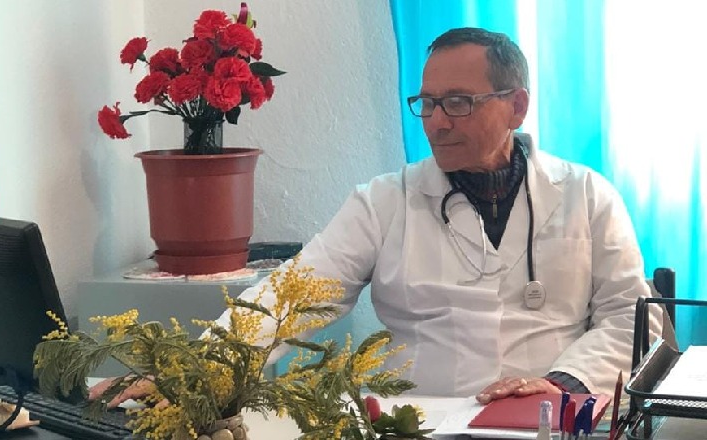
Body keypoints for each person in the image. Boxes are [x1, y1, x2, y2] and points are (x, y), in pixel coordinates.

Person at [93, 27, 662, 405]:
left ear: (516, 106)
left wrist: (562, 382)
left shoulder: (587, 195)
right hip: (420, 420)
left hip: (553, 420)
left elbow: (632, 318)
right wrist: (192, 372)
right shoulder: (385, 201)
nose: (437, 121)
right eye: (427, 103)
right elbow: (290, 296)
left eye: (458, 102)